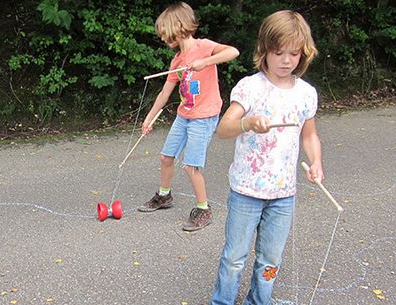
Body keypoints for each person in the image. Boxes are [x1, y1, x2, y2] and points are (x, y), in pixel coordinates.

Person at [210, 10, 322, 305]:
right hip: (247, 191)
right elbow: (223, 129)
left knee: (270, 259)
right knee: (235, 257)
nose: (286, 60)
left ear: (303, 54)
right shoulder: (251, 87)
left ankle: (259, 301)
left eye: (294, 53)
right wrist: (247, 123)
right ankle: (221, 301)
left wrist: (316, 162)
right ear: (264, 50)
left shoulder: (306, 94)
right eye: (279, 52)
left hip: (284, 193)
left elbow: (309, 134)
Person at [137, 2, 239, 231]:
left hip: (204, 117)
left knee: (191, 166)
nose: (163, 38)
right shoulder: (177, 61)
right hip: (184, 115)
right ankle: (164, 196)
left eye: (165, 33)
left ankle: (204, 208)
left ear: (178, 26)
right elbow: (165, 93)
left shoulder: (204, 46)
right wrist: (149, 118)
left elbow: (233, 52)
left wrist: (206, 61)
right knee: (166, 157)